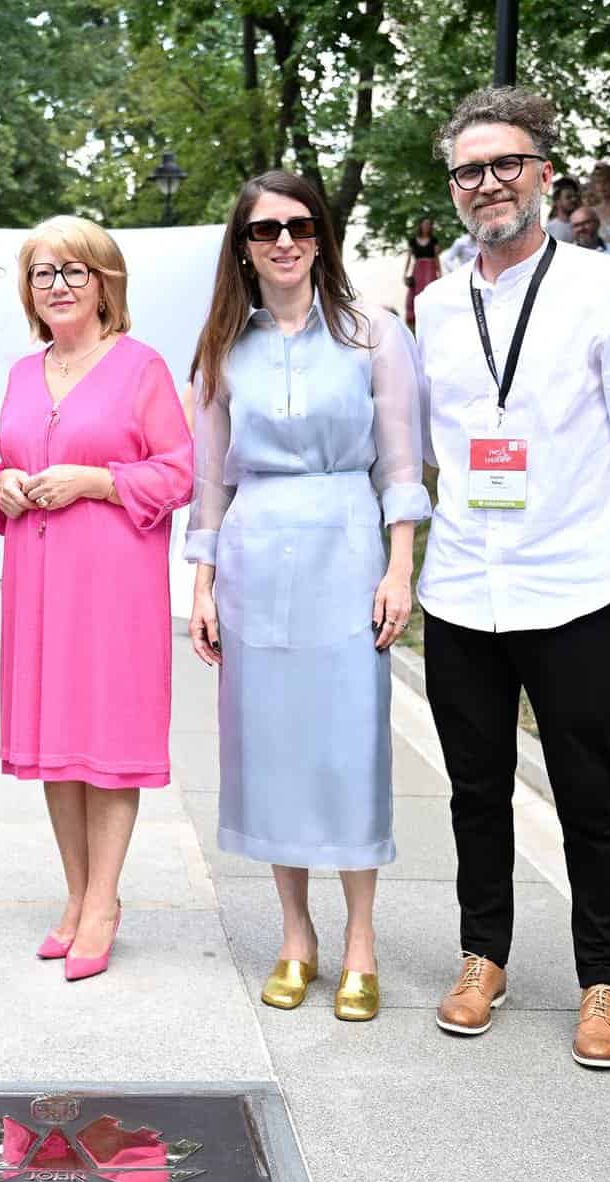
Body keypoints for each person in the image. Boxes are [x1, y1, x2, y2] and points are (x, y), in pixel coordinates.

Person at [418, 86, 610, 1069]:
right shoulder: (436, 306)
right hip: (459, 589)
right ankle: (482, 956)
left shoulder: (609, 290)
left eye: (505, 164)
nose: (487, 184)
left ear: (543, 172)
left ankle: (603, 981)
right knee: (474, 791)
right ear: (453, 188)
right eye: (469, 170)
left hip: (575, 588)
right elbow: (423, 449)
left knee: (585, 790)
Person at [185, 171, 429, 1023]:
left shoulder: (374, 336)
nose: (283, 241)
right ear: (243, 249)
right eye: (263, 231)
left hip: (345, 544)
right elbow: (207, 483)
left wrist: (400, 570)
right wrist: (203, 584)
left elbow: (401, 466)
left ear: (322, 236)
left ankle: (361, 937)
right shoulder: (223, 349)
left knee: (347, 745)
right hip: (255, 552)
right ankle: (296, 934)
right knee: (272, 749)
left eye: (298, 225)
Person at [0, 216, 193, 983]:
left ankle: (104, 901)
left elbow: (178, 471)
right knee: (57, 745)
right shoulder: (20, 372)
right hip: (38, 583)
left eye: (74, 272)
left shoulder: (141, 368)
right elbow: (4, 462)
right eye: (44, 273)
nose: (59, 286)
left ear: (106, 283)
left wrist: (96, 480)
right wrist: (3, 486)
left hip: (113, 585)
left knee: (106, 746)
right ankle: (74, 896)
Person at [403, 214, 441, 329]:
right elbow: (409, 258)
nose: (426, 226)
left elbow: (436, 258)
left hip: (430, 268)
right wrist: (405, 274)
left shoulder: (434, 240)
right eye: (424, 224)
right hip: (418, 269)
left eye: (428, 225)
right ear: (420, 226)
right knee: (416, 293)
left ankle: (431, 318)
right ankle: (416, 320)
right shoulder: (413, 241)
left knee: (429, 291)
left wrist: (440, 273)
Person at [544, 176, 580, 241]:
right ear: (557, 201)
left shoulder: (584, 225)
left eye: (575, 196)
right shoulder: (548, 230)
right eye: (568, 197)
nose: (574, 199)